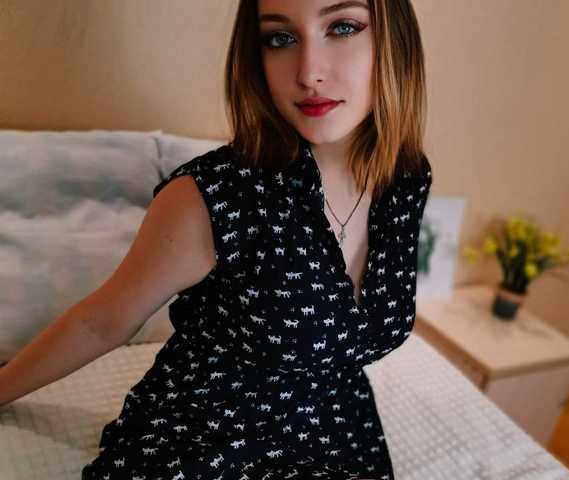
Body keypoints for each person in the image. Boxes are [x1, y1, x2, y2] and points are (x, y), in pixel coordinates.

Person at [0, 0, 432, 478]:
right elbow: (99, 323)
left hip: (342, 434)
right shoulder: (214, 197)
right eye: (280, 38)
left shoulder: (406, 180)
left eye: (343, 27)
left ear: (394, 40)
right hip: (216, 439)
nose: (309, 73)